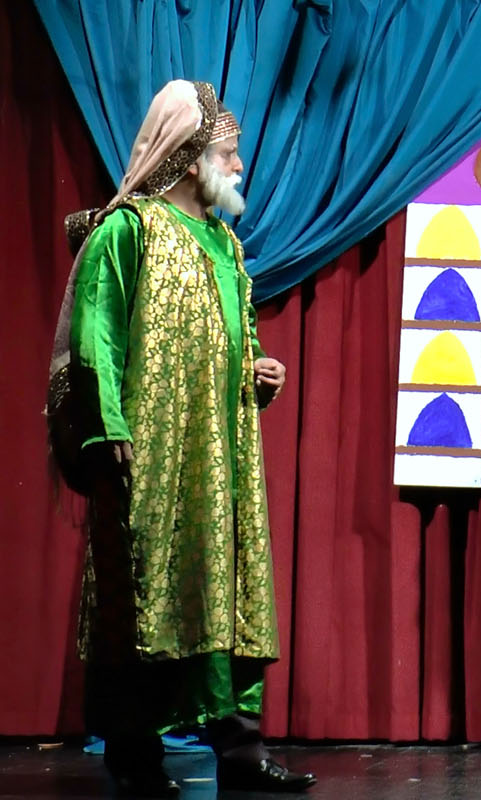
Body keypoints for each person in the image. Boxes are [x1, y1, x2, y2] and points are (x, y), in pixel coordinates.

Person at [47, 80, 315, 796]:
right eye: (228, 153)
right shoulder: (128, 230)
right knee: (145, 591)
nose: (239, 167)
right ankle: (134, 754)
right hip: (149, 452)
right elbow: (95, 335)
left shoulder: (225, 244)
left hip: (220, 455)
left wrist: (256, 372)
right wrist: (107, 426)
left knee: (226, 586)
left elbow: (234, 337)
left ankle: (240, 750)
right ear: (191, 158)